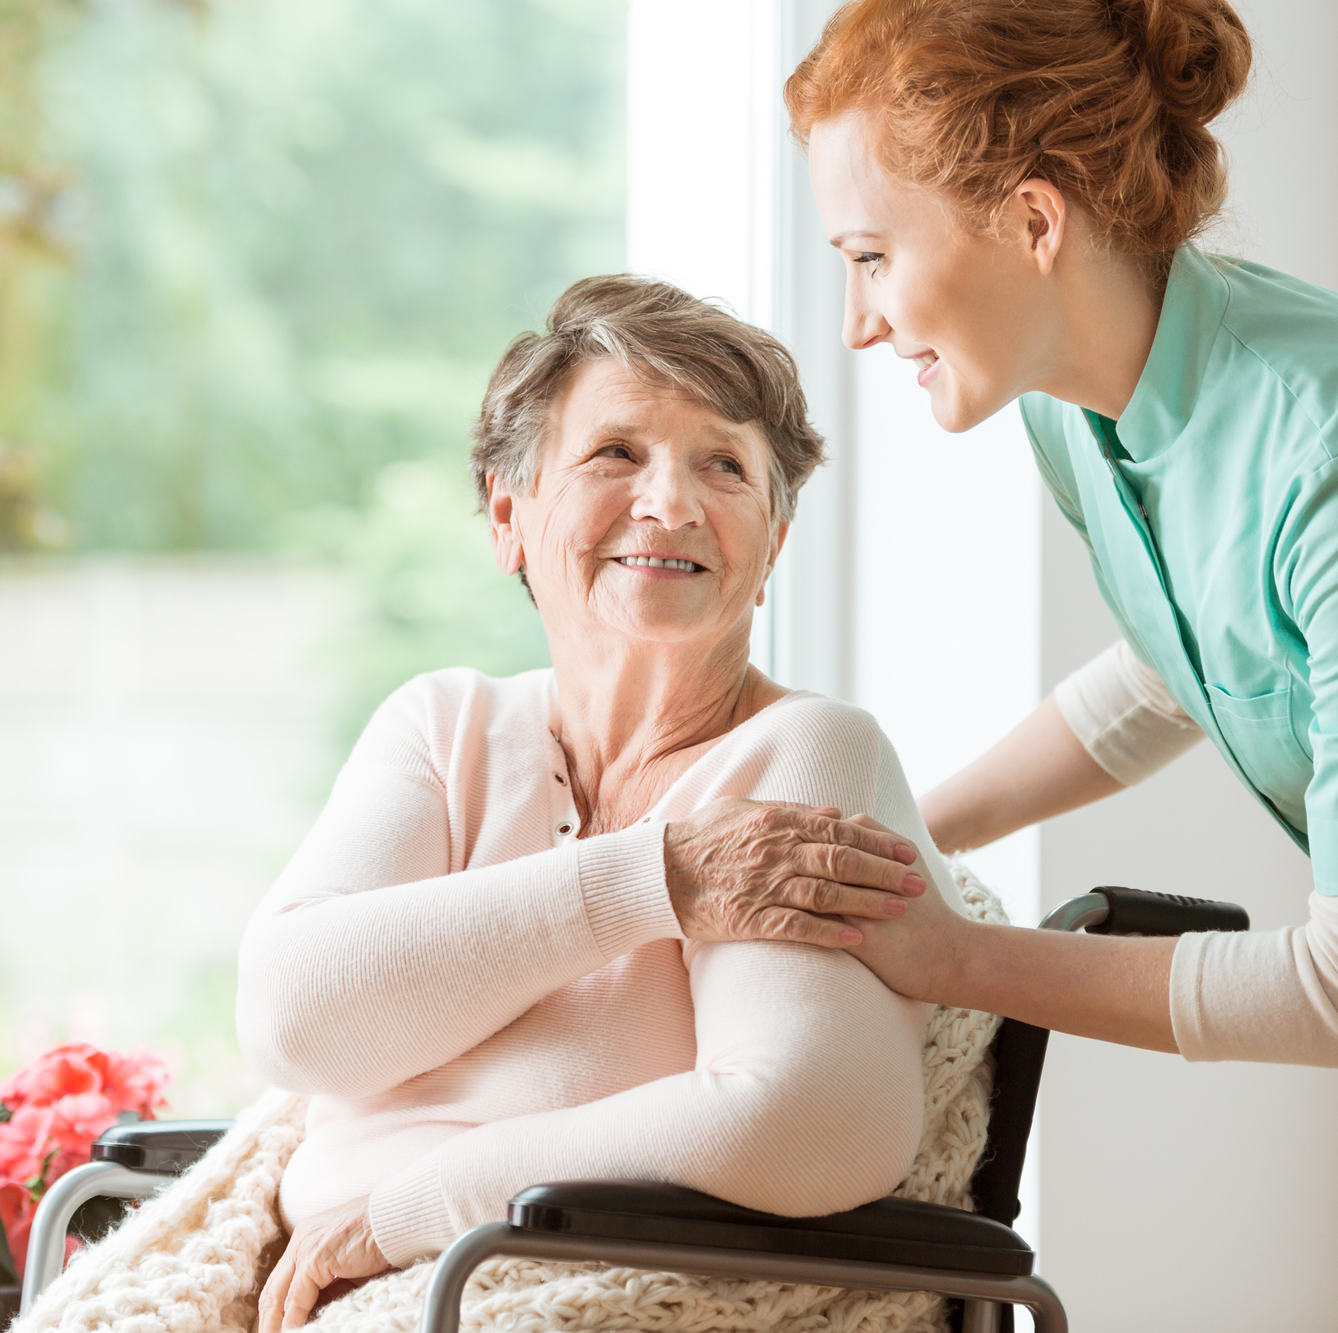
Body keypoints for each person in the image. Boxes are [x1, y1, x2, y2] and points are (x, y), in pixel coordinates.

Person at [752, 0, 1338, 1326]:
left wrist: (947, 955)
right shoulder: (1080, 412)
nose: (858, 321)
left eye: (870, 255)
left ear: (1033, 223)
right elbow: (1184, 660)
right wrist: (897, 836)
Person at [234, 275, 952, 1333]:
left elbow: (805, 1122)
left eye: (726, 464)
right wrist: (652, 883)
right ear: (508, 515)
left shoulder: (805, 752)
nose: (670, 502)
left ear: (772, 547)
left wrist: (411, 1213)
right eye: (616, 453)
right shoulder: (444, 727)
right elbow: (294, 1020)